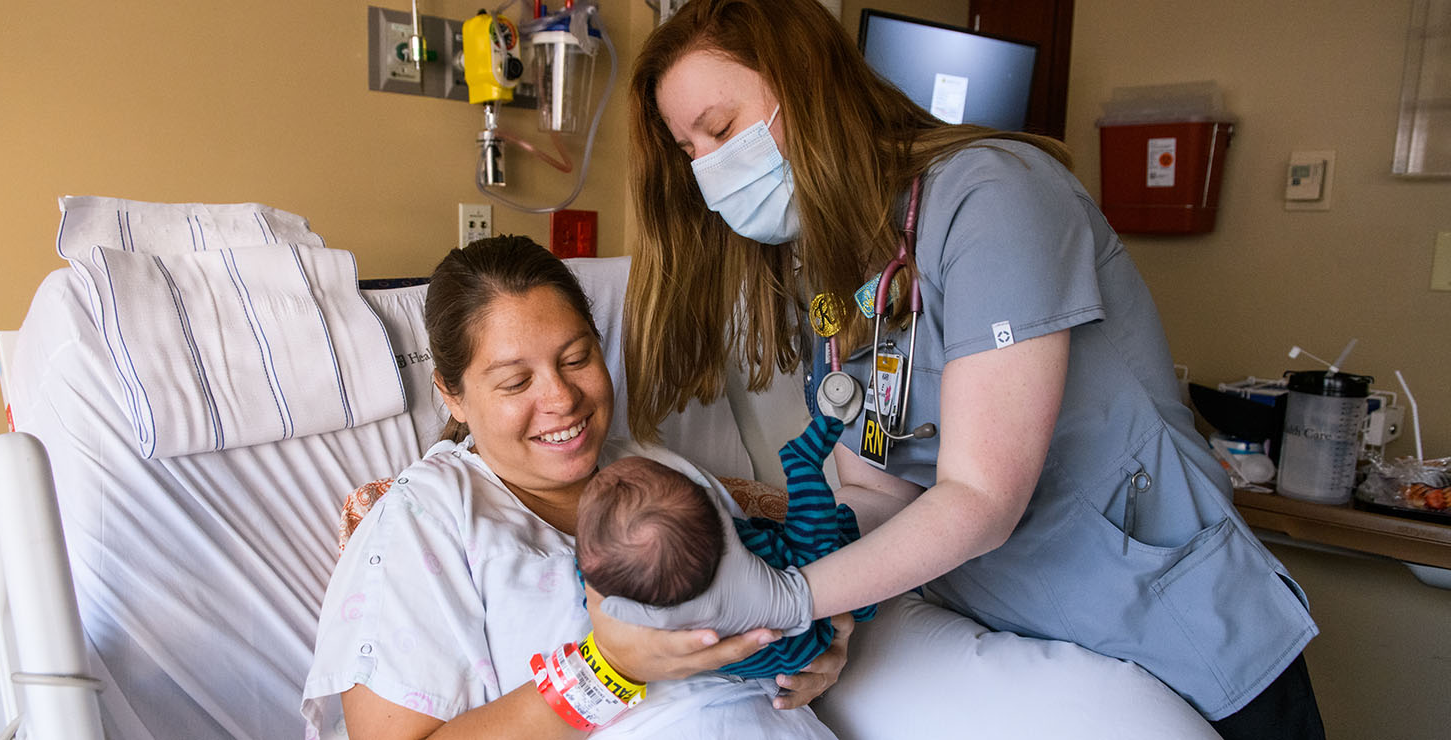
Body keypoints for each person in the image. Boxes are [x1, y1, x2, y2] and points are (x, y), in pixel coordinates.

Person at [610, 1, 1325, 738]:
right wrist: (831, 613)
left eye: (720, 129)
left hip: (1180, 632)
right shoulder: (830, 264)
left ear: (808, 86)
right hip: (1027, 644)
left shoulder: (996, 196)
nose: (708, 167)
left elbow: (981, 498)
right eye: (689, 149)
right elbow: (874, 484)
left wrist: (788, 596)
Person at [301, 235, 848, 740]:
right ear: (453, 395)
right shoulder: (426, 519)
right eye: (516, 381)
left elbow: (779, 587)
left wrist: (825, 645)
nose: (561, 398)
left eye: (576, 358)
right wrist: (607, 669)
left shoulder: (662, 475)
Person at [576, 416, 875, 680]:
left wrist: (592, 564)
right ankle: (801, 463)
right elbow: (816, 547)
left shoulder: (629, 600)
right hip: (802, 638)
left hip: (766, 663)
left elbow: (591, 583)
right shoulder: (755, 556)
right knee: (821, 548)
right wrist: (804, 470)